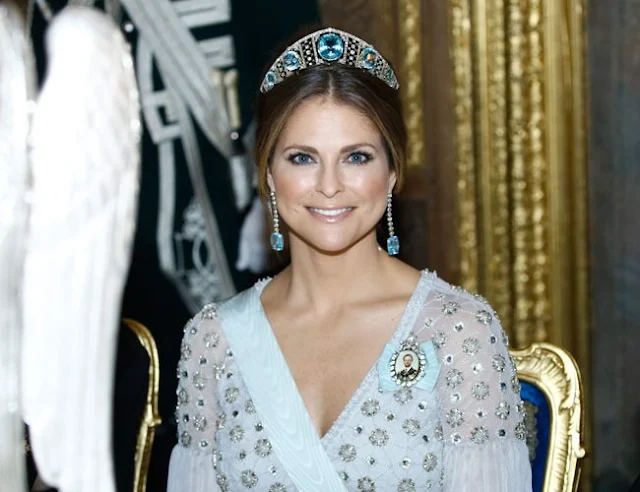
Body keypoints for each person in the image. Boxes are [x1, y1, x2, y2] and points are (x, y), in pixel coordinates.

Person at [166, 27, 532, 491]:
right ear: (269, 172)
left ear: (393, 169)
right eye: (302, 158)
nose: (330, 185)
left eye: (356, 157)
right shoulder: (213, 340)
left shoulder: (459, 333)